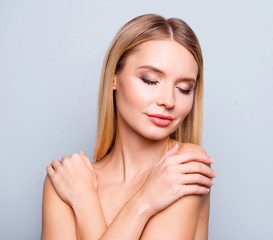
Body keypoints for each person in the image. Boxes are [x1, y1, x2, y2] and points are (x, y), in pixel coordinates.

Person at [41, 14, 216, 240]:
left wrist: (85, 202)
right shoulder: (67, 179)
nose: (169, 101)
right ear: (114, 77)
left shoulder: (185, 167)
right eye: (150, 80)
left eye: (183, 88)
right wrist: (142, 200)